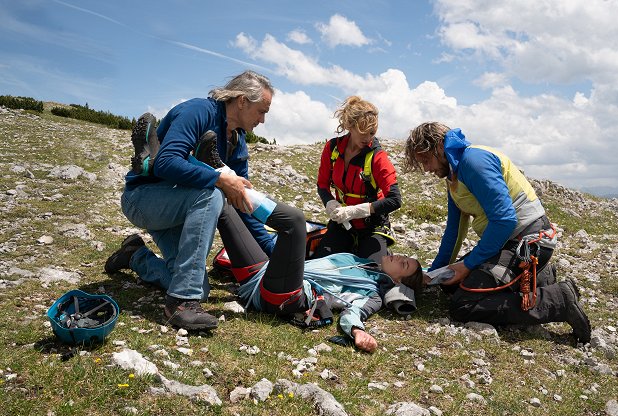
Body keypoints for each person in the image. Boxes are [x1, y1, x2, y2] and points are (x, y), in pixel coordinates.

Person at [104, 70, 274, 331]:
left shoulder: (237, 141)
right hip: (144, 199)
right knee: (212, 194)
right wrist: (219, 180)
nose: (263, 120)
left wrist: (272, 254)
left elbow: (243, 203)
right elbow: (165, 163)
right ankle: (181, 303)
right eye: (261, 111)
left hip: (180, 208)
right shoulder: (198, 112)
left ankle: (135, 256)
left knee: (199, 287)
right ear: (242, 100)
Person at [402, 122, 592, 343]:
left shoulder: (474, 162)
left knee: (464, 305)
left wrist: (467, 265)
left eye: (425, 159)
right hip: (509, 243)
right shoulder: (454, 176)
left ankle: (558, 300)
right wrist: (434, 274)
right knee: (451, 284)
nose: (426, 168)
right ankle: (538, 278)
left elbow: (504, 220)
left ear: (439, 148)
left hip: (528, 241)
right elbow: (454, 231)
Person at [216, 191, 423, 353]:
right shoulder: (360, 263)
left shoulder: (373, 293)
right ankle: (211, 171)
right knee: (222, 206)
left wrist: (357, 331)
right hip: (261, 277)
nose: (400, 257)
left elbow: (355, 311)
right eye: (404, 257)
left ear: (397, 281)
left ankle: (239, 188)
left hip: (286, 295)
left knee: (295, 222)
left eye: (404, 264)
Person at [313, 96, 401, 263]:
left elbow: (395, 200)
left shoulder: (377, 157)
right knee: (320, 265)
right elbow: (322, 185)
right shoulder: (332, 149)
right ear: (349, 126)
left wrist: (355, 211)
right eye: (363, 132)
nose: (368, 138)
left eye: (372, 132)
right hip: (342, 224)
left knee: (372, 274)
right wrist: (330, 203)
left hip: (372, 227)